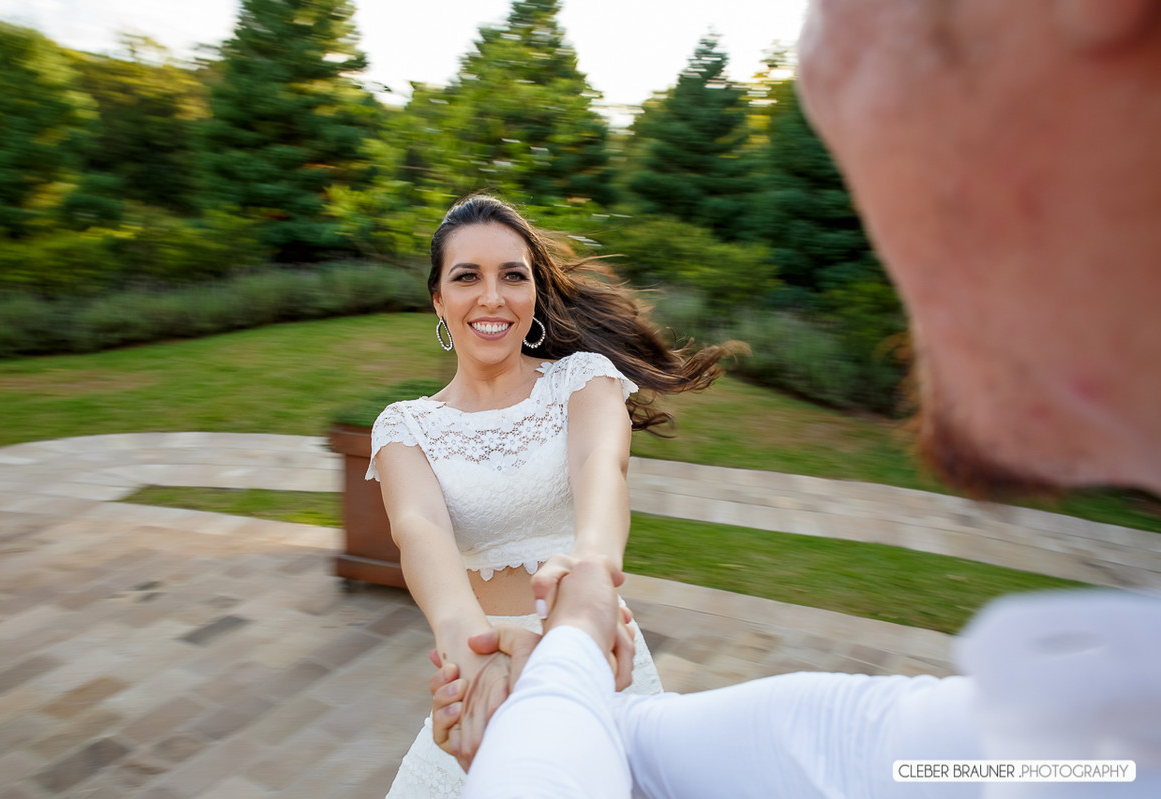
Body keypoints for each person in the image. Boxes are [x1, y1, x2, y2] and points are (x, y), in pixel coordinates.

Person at [430, 0, 1161, 796]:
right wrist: (553, 674)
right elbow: (845, 749)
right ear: (436, 298)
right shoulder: (1095, 733)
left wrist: (571, 638)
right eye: (465, 275)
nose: (817, 77)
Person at [366, 194, 736, 797]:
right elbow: (418, 528)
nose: (492, 297)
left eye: (513, 276)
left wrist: (591, 567)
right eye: (467, 277)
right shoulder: (404, 426)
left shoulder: (583, 378)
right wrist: (467, 647)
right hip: (488, 669)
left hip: (591, 648)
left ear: (535, 292)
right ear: (439, 299)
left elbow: (601, 466)